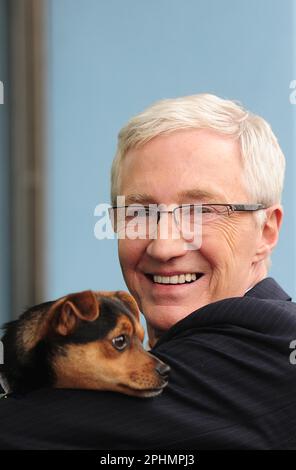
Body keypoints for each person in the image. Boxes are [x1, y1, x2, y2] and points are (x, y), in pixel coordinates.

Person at [0, 94, 295, 449]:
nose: (163, 246)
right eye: (138, 213)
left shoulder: (267, 353)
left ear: (266, 231)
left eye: (201, 211)